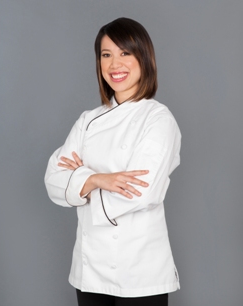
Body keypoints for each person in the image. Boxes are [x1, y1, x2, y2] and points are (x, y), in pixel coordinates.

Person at [45, 17, 181, 306]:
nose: (114, 64)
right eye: (106, 55)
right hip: (89, 269)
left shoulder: (158, 119)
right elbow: (53, 181)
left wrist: (79, 180)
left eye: (125, 53)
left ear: (143, 58)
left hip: (140, 272)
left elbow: (141, 191)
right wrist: (97, 179)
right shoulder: (88, 120)